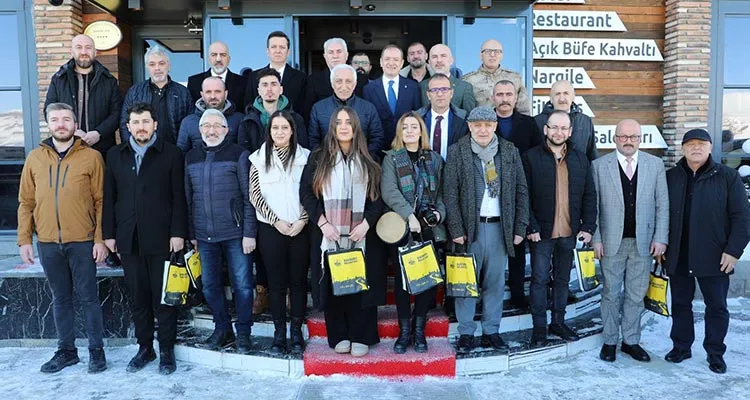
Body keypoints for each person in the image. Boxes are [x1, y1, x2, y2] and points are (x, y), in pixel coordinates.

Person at [18, 103, 108, 374]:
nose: (60, 124)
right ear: (48, 124)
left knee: (89, 298)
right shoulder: (35, 158)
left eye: (66, 119)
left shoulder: (91, 157)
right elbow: (26, 201)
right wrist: (24, 239)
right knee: (60, 298)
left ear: (75, 124)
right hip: (47, 242)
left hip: (82, 240)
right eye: (55, 119)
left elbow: (101, 201)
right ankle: (66, 351)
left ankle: (96, 351)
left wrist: (100, 239)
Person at [104, 102, 188, 375]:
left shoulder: (172, 154)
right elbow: (109, 198)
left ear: (155, 125)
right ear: (128, 127)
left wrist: (178, 233)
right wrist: (109, 234)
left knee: (163, 298)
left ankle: (166, 350)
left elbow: (179, 197)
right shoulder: (115, 155)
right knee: (138, 297)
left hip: (162, 238)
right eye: (136, 122)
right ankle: (145, 348)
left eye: (145, 121)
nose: (141, 127)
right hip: (129, 239)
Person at [300, 106, 385, 357]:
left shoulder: (370, 157)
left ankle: (362, 335)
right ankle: (339, 334)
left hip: (361, 234)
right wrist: (323, 223)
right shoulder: (319, 157)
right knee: (334, 283)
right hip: (329, 233)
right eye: (339, 122)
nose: (344, 126)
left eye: (349, 122)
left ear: (356, 126)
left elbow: (378, 197)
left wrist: (366, 224)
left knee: (360, 285)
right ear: (333, 127)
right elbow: (306, 193)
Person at [663, 128, 750, 374]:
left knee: (717, 307)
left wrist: (733, 251)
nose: (696, 148)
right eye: (690, 144)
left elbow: (742, 217)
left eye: (701, 143)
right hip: (678, 253)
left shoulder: (727, 177)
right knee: (680, 304)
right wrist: (661, 245)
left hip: (715, 255)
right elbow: (660, 215)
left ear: (710, 147)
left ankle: (715, 352)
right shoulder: (671, 177)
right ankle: (681, 347)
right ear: (682, 148)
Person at [443, 106, 529, 353]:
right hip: (470, 230)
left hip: (499, 228)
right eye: (477, 125)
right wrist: (456, 228)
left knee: (494, 283)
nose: (482, 129)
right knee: (466, 283)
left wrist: (520, 226)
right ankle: (467, 332)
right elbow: (449, 193)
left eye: (487, 125)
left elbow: (521, 190)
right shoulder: (458, 151)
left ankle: (492, 330)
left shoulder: (509, 152)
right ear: (469, 126)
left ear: (494, 126)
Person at [591, 119, 669, 363]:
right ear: (615, 138)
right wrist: (596, 238)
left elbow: (662, 204)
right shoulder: (599, 166)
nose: (628, 141)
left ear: (640, 139)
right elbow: (593, 207)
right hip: (611, 242)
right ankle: (610, 341)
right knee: (611, 293)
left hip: (644, 243)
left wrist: (660, 238)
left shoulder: (655, 165)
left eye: (633, 136)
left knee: (636, 295)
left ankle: (631, 341)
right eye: (623, 136)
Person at [523, 110, 597, 347]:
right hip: (541, 233)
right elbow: (522, 196)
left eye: (564, 128)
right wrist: (530, 225)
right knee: (539, 279)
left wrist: (588, 226)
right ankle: (539, 328)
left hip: (569, 231)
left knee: (563, 280)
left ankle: (558, 322)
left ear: (570, 132)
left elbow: (589, 195)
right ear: (545, 129)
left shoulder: (579, 158)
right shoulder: (530, 157)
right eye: (554, 127)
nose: (559, 132)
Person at [184, 109, 256, 354]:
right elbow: (188, 198)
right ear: (200, 130)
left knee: (243, 286)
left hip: (236, 234)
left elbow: (249, 198)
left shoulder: (239, 155)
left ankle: (244, 333)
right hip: (204, 236)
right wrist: (192, 233)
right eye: (206, 126)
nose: (211, 130)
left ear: (227, 130)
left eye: (217, 126)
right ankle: (222, 328)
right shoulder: (190, 157)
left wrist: (249, 233)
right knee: (209, 286)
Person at [381, 112, 447, 354]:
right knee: (402, 282)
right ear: (400, 132)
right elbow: (389, 191)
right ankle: (404, 332)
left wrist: (439, 214)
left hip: (428, 228)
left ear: (421, 131)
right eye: (405, 127)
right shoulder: (391, 158)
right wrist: (410, 216)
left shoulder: (434, 159)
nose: (409, 131)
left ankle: (420, 331)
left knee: (426, 281)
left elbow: (441, 193)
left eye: (414, 126)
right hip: (401, 226)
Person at [249, 110, 311, 354]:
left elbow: (313, 191)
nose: (280, 132)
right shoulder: (257, 158)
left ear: (292, 130)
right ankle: (279, 334)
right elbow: (255, 194)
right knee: (276, 285)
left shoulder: (306, 156)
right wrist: (276, 221)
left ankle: (296, 333)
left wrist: (302, 220)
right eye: (275, 128)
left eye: (285, 127)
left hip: (300, 228)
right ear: (270, 131)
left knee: (297, 283)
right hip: (271, 229)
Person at [492, 79, 543, 309]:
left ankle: (516, 293)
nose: (504, 99)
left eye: (508, 94)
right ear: (493, 97)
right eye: (500, 94)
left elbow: (537, 156)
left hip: (520, 190)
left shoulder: (529, 124)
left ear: (515, 97)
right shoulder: (484, 121)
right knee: (490, 245)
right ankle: (487, 294)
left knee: (517, 244)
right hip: (489, 191)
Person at [44, 34, 122, 160]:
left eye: (88, 47)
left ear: (95, 52)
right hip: (66, 149)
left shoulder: (109, 80)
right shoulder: (59, 79)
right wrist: (73, 131)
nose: (84, 52)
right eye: (79, 47)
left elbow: (117, 113)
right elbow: (49, 110)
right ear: (72, 51)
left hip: (102, 149)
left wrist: (98, 133)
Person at [308, 64, 384, 161]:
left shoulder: (368, 108)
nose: (344, 86)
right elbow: (313, 140)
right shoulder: (318, 108)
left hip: (362, 164)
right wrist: (325, 159)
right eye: (339, 81)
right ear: (332, 84)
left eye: (348, 81)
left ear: (355, 84)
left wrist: (364, 157)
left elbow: (377, 137)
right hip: (328, 165)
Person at [120, 45, 192, 144]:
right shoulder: (135, 92)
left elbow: (189, 125)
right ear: (147, 67)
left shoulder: (183, 93)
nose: (157, 68)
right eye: (152, 64)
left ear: (169, 66)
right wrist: (133, 149)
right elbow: (125, 123)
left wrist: (181, 151)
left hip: (174, 152)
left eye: (161, 63)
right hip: (143, 151)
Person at [362, 45, 422, 146]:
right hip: (378, 147)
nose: (391, 63)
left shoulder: (413, 87)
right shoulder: (368, 89)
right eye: (387, 59)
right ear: (381, 62)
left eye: (395, 59)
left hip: (406, 146)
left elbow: (418, 117)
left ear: (402, 63)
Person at [239, 68, 308, 155]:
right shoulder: (248, 121)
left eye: (274, 84)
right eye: (264, 85)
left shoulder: (296, 119)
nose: (269, 89)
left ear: (281, 89)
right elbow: (244, 153)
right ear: (259, 91)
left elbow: (302, 150)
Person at [243, 31, 307, 116]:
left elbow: (303, 109)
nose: (278, 51)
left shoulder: (301, 78)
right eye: (273, 47)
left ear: (288, 52)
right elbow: (248, 106)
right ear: (267, 51)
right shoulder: (253, 77)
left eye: (282, 47)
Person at [462, 39, 530, 115]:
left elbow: (524, 110)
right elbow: (465, 113)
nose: (492, 54)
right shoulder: (468, 80)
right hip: (481, 125)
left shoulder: (515, 78)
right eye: (487, 51)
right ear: (480, 56)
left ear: (502, 56)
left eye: (497, 51)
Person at [534, 80, 597, 161]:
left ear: (573, 97)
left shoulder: (585, 121)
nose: (561, 98)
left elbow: (592, 155)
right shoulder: (536, 121)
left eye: (566, 93)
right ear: (551, 98)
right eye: (557, 94)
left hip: (578, 172)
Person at [177, 76, 243, 153]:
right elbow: (181, 154)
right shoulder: (188, 122)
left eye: (217, 91)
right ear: (202, 94)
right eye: (208, 92)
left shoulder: (240, 119)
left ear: (225, 94)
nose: (213, 96)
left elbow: (243, 153)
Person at [305, 38, 367, 115]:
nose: (335, 56)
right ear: (325, 56)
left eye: (339, 51)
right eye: (331, 52)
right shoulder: (314, 80)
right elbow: (308, 112)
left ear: (346, 55)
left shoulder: (362, 79)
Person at [416, 73, 469, 160]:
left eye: (444, 89)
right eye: (434, 90)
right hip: (424, 171)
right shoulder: (417, 119)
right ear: (428, 95)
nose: (440, 94)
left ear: (451, 93)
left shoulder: (464, 120)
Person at [187, 41, 247, 112]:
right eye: (214, 55)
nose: (218, 59)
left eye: (222, 55)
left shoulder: (244, 82)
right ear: (209, 59)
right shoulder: (194, 82)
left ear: (229, 60)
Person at [419, 44, 476, 114]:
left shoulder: (464, 87)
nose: (439, 60)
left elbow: (469, 117)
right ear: (429, 62)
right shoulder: (421, 86)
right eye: (434, 57)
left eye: (443, 56)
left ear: (451, 60)